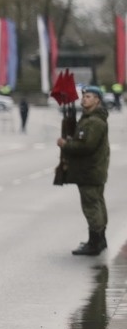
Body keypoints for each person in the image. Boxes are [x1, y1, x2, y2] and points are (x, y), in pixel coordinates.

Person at [57, 86, 110, 256]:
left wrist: (66, 144)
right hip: (92, 170)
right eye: (84, 96)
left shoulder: (94, 122)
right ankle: (99, 240)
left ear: (97, 100)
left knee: (91, 206)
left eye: (88, 96)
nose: (84, 99)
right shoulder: (89, 119)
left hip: (89, 171)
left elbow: (86, 146)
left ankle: (95, 243)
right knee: (96, 204)